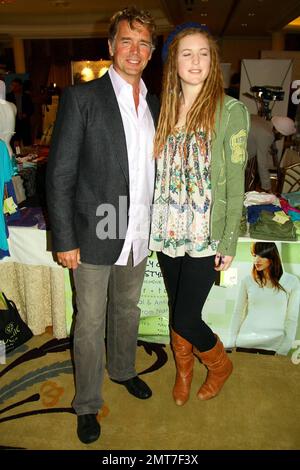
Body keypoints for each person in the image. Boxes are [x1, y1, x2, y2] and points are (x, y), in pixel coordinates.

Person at [46, 6, 158, 444]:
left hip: (139, 229)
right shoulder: (83, 99)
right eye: (126, 41)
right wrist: (65, 238)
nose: (135, 50)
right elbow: (59, 175)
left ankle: (124, 368)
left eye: (143, 43)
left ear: (151, 52)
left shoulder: (154, 101)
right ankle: (88, 403)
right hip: (95, 229)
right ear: (111, 46)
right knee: (90, 321)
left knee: (127, 310)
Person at [149, 23, 250, 406]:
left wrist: (228, 240)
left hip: (205, 232)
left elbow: (235, 184)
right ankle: (184, 371)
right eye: (186, 53)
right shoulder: (161, 108)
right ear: (172, 61)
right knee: (178, 309)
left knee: (188, 317)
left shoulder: (231, 111)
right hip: (168, 226)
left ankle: (220, 366)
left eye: (203, 53)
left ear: (214, 61)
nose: (195, 61)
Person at [231, 242, 300, 355]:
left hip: (273, 347)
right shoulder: (248, 281)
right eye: (255, 255)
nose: (256, 260)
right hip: (245, 344)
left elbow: (291, 319)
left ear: (272, 257)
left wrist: (283, 350)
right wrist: (231, 342)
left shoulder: (291, 281)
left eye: (262, 256)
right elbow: (238, 313)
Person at [247, 114, 296, 192]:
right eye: (282, 136)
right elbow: (262, 164)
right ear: (278, 131)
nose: (281, 138)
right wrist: (268, 188)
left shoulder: (261, 120)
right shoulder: (267, 134)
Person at [6, 77, 34, 148]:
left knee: (27, 143)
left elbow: (31, 109)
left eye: (16, 85)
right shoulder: (8, 97)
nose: (14, 87)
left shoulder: (26, 96)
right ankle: (16, 157)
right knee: (15, 143)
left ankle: (27, 156)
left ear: (20, 86)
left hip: (24, 122)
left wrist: (26, 114)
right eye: (12, 85)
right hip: (13, 123)